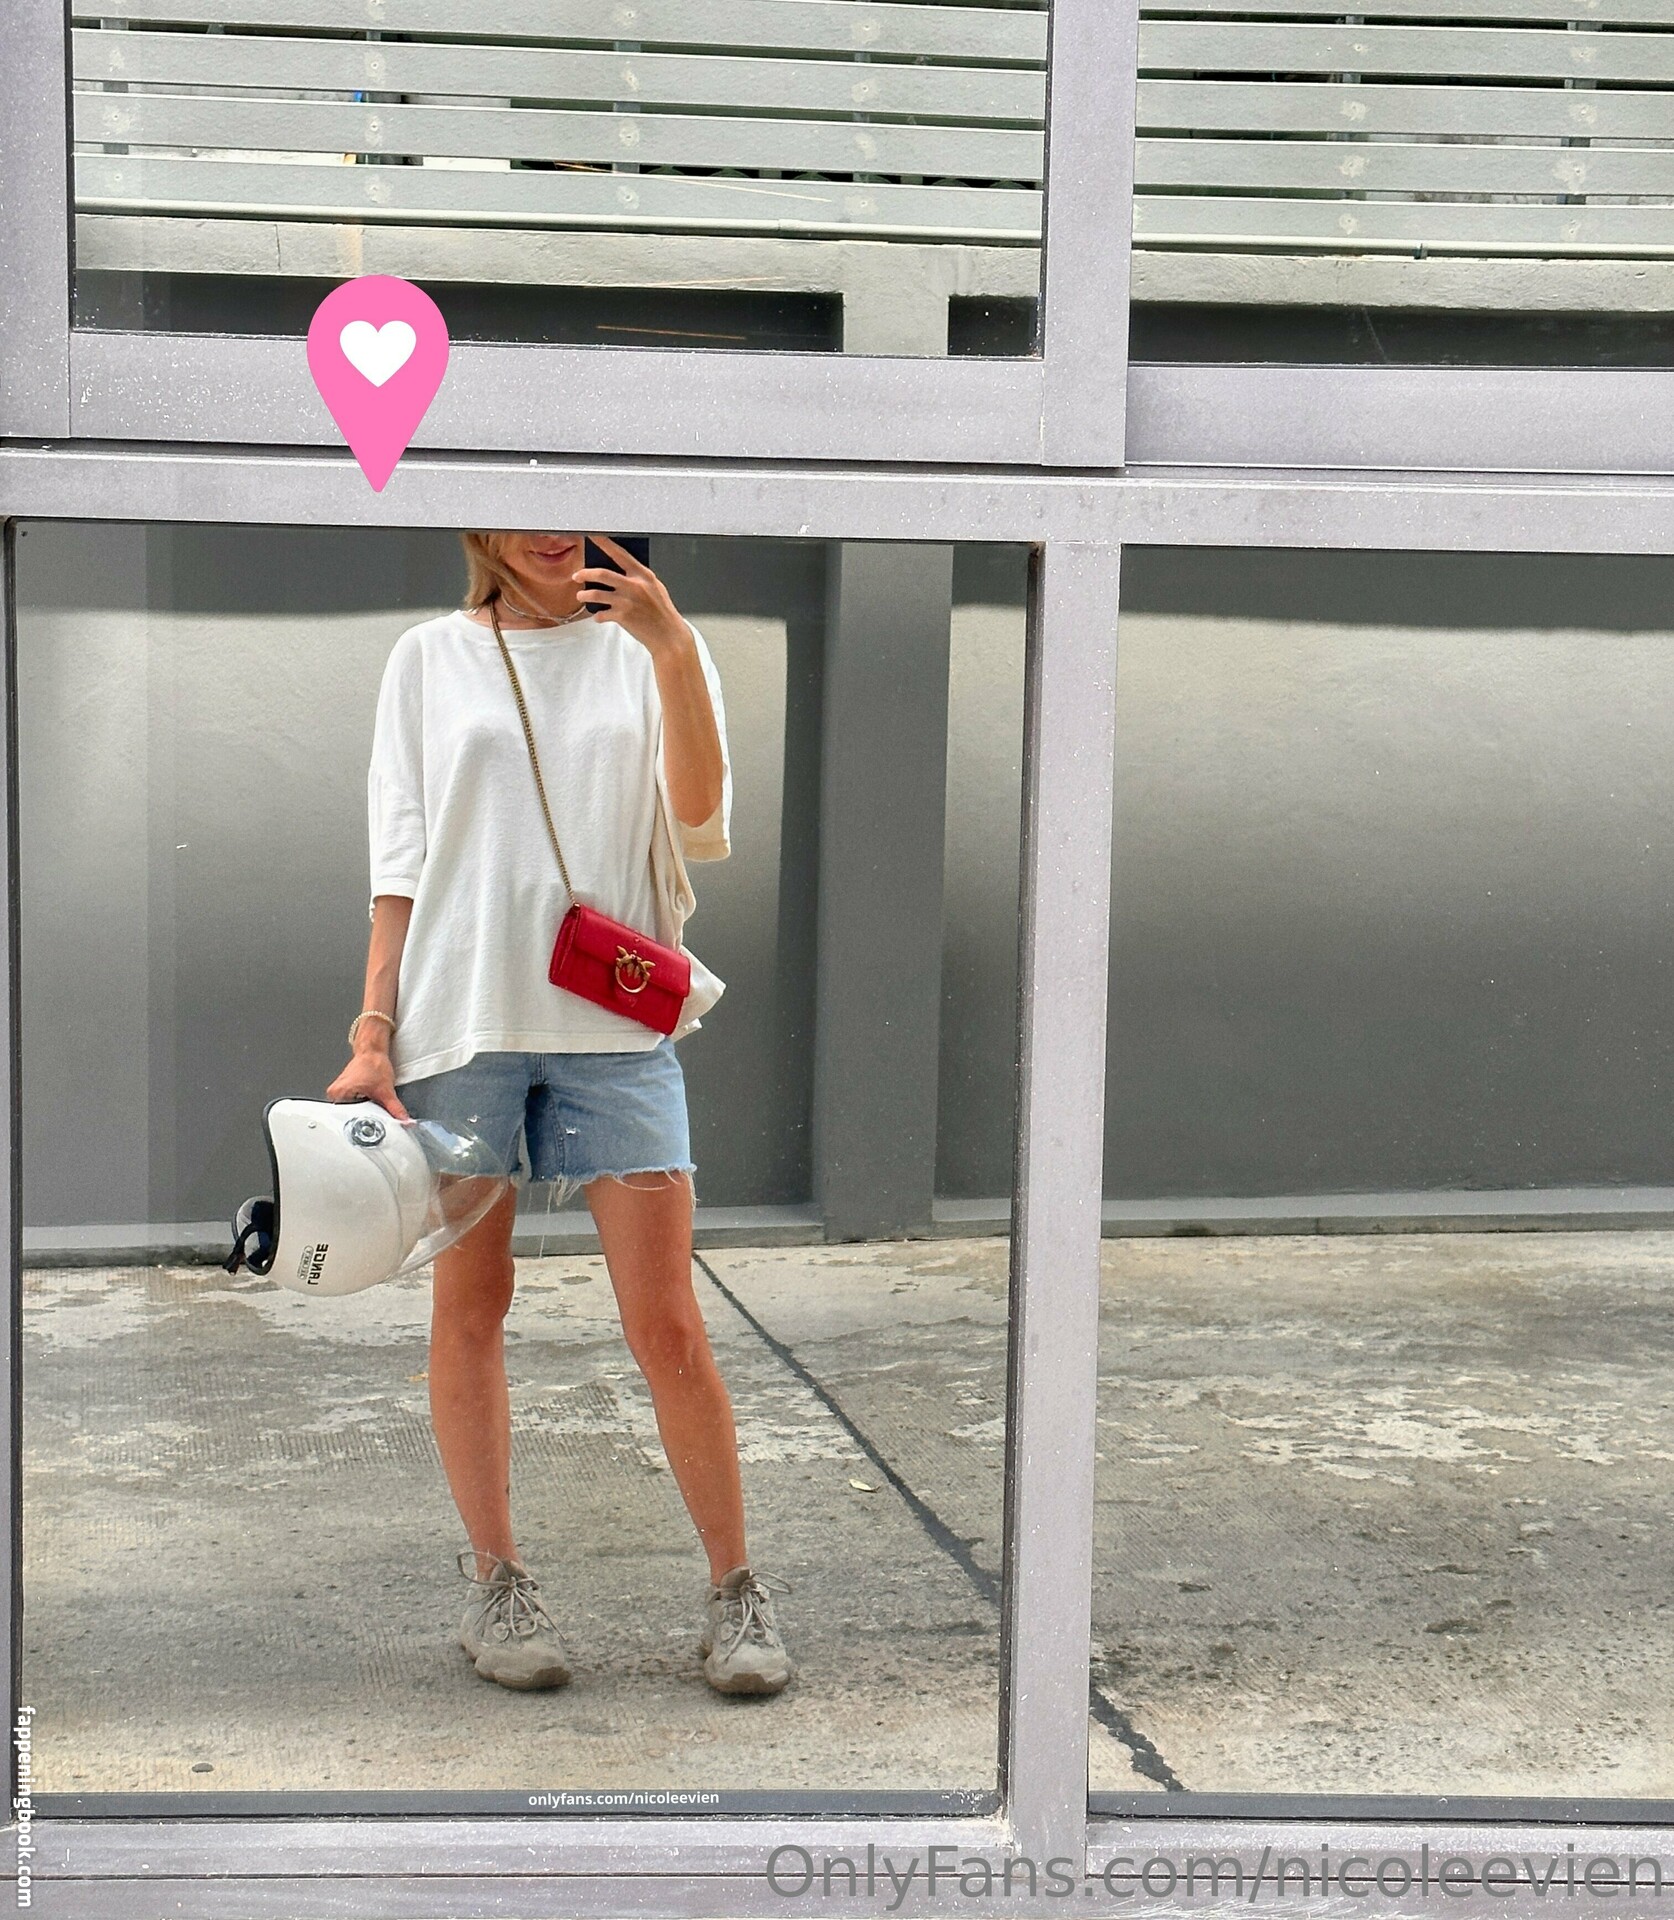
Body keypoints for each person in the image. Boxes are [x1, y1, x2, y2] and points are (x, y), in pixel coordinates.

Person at [326, 530, 793, 1697]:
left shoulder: (650, 648)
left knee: (668, 1323)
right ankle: (497, 1583)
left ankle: (736, 1590)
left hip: (614, 1031)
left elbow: (699, 818)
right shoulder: (428, 657)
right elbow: (400, 865)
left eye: (575, 502)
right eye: (521, 501)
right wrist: (374, 1029)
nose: (550, 527)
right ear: (477, 524)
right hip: (464, 1025)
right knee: (471, 1307)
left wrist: (671, 648)